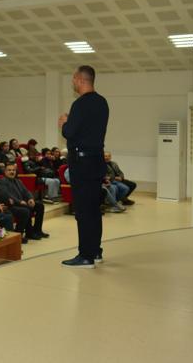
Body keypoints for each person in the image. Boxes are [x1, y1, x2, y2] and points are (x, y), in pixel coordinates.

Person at [58, 65, 109, 268]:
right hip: (96, 161)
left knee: (83, 211)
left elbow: (70, 132)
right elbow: (89, 130)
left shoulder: (79, 104)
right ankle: (95, 250)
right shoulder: (102, 103)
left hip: (82, 163)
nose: (73, 83)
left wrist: (64, 123)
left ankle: (85, 255)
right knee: (94, 210)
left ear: (80, 79)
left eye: (74, 79)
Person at [0, 162, 46, 240]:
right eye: (9, 170)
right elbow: (7, 195)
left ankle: (37, 230)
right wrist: (19, 202)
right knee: (26, 209)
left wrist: (30, 198)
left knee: (40, 206)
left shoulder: (18, 181)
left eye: (13, 170)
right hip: (12, 205)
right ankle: (23, 233)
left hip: (22, 203)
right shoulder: (2, 181)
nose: (12, 172)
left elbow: (26, 191)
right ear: (5, 172)